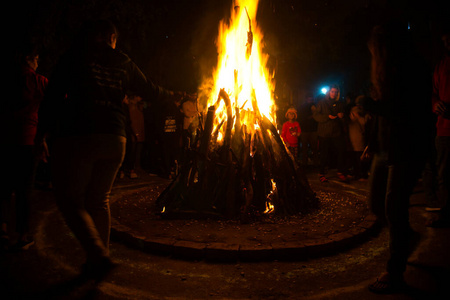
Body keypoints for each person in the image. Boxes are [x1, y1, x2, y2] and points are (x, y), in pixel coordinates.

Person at [36, 19, 190, 280]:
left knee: (69, 199)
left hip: (82, 134)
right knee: (98, 200)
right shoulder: (123, 62)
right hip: (115, 138)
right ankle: (98, 260)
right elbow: (151, 90)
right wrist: (172, 94)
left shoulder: (75, 56)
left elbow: (52, 96)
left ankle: (98, 254)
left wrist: (42, 133)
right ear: (111, 38)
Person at [364, 21, 433, 294]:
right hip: (386, 147)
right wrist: (372, 142)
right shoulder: (385, 71)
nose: (373, 54)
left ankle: (395, 271)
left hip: (408, 147)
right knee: (376, 204)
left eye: (376, 48)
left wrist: (375, 107)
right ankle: (406, 237)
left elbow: (409, 113)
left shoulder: (412, 68)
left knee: (394, 205)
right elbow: (383, 115)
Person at [0, 44, 48, 251]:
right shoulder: (38, 82)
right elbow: (58, 101)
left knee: (3, 188)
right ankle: (22, 235)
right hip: (28, 141)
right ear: (29, 59)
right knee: (24, 189)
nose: (38, 64)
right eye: (36, 59)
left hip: (5, 141)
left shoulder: (7, 81)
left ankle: (2, 230)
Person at [428, 27, 450, 227]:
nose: (447, 45)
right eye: (445, 41)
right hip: (444, 129)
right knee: (443, 174)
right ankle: (445, 213)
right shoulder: (441, 66)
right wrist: (436, 103)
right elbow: (433, 93)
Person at [313, 84, 348, 182]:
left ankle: (340, 171)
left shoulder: (340, 103)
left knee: (341, 150)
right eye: (332, 91)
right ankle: (321, 173)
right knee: (324, 153)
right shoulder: (322, 103)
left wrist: (342, 116)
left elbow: (344, 118)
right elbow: (316, 116)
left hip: (336, 132)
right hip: (324, 132)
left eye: (335, 92)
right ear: (329, 92)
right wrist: (327, 117)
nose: (334, 93)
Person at [347, 95, 371, 180]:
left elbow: (364, 122)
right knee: (357, 156)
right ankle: (359, 173)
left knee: (357, 156)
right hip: (356, 136)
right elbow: (364, 122)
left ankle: (359, 173)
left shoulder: (362, 112)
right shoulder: (359, 112)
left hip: (357, 136)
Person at [298, 93, 318, 166]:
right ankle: (304, 163)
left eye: (311, 99)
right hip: (304, 130)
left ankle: (315, 163)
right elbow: (301, 118)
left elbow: (317, 117)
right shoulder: (302, 107)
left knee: (314, 148)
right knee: (304, 148)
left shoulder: (315, 106)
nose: (311, 100)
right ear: (306, 99)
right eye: (309, 99)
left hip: (313, 130)